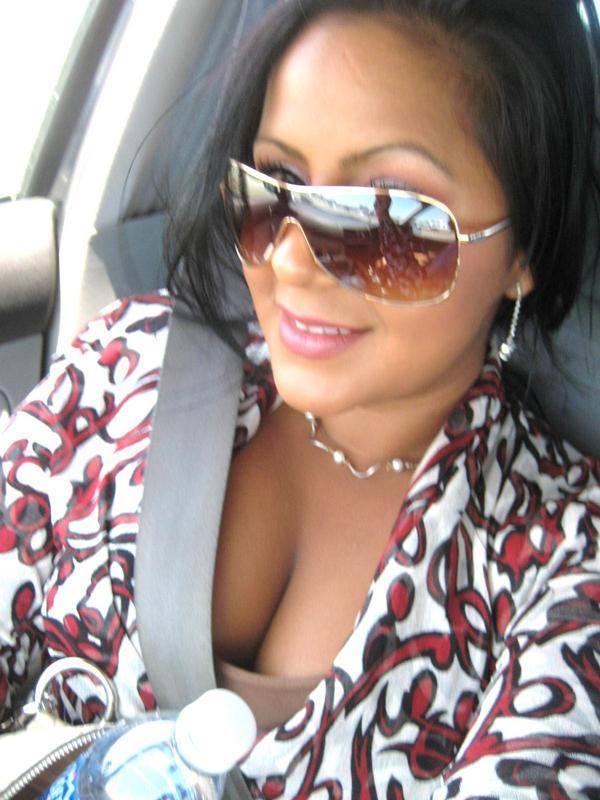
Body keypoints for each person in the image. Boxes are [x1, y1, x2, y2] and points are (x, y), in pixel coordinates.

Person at [1, 0, 600, 797]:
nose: (289, 259)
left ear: (520, 248)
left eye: (387, 214)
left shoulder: (565, 558)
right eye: (276, 181)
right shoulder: (125, 366)